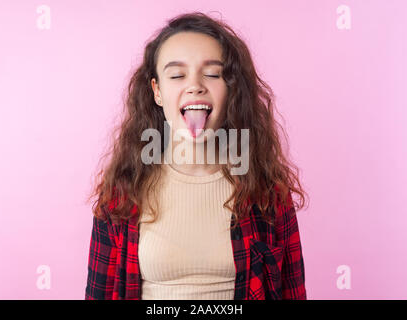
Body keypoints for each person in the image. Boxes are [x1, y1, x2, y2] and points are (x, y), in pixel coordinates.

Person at [85, 11, 308, 300]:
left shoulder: (268, 193)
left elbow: (294, 293)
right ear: (157, 92)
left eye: (213, 74)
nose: (195, 85)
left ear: (231, 87)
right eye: (177, 75)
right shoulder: (121, 193)